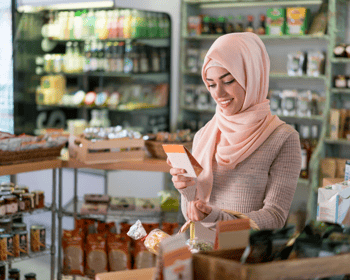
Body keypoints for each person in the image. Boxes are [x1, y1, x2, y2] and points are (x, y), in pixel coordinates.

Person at [168, 32, 301, 240]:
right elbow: (192, 214)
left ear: (252, 76)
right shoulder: (204, 135)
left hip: (246, 258)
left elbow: (275, 217)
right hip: (203, 252)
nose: (218, 94)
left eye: (228, 81)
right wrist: (187, 190)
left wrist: (218, 218)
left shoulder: (283, 138)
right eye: (211, 84)